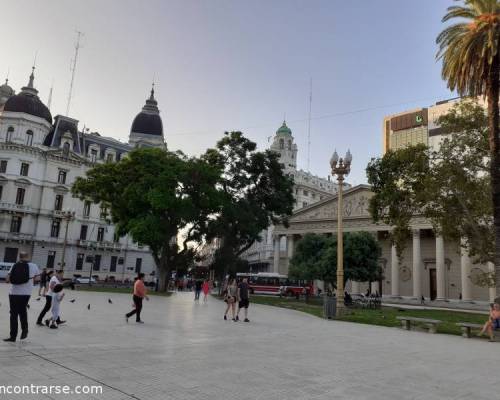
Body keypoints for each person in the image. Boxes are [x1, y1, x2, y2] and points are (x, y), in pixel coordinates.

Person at [4, 252, 40, 342]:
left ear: (19, 257)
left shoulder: (15, 265)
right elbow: (37, 279)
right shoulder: (34, 266)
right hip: (26, 293)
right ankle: (25, 329)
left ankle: (13, 337)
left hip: (14, 293)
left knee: (13, 315)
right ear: (28, 257)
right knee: (23, 311)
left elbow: (7, 279)